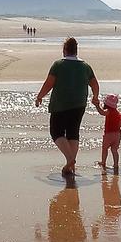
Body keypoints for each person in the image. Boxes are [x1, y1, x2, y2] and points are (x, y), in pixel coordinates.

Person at [34, 37, 100, 179]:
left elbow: (48, 84)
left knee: (56, 132)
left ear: (64, 50)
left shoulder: (58, 65)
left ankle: (70, 160)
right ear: (76, 50)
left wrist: (39, 96)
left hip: (60, 104)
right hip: (79, 105)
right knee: (73, 133)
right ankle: (71, 166)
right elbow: (95, 84)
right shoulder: (86, 66)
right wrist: (95, 96)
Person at [96, 93, 121, 171]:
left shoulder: (108, 111)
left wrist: (97, 105)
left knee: (105, 148)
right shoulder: (118, 113)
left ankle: (103, 162)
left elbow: (101, 112)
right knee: (114, 150)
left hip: (109, 134)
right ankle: (116, 164)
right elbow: (120, 124)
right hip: (117, 134)